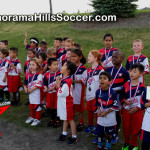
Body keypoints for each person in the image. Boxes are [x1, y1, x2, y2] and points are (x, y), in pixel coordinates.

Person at [106, 51, 130, 144]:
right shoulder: (108, 69)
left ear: (122, 59)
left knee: (116, 114)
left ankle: (115, 133)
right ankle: (108, 131)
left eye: (116, 57)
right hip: (107, 96)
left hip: (117, 97)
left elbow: (126, 87)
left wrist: (115, 91)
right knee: (108, 113)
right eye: (112, 57)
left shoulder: (124, 72)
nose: (113, 59)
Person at [121, 63, 146, 150]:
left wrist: (137, 108)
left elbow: (144, 101)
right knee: (126, 127)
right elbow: (121, 95)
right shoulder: (126, 85)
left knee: (135, 128)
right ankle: (127, 142)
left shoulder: (143, 87)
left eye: (134, 72)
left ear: (141, 74)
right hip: (126, 111)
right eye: (130, 71)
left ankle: (134, 144)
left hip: (137, 112)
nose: (131, 73)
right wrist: (124, 100)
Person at [96, 71, 119, 150]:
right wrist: (99, 110)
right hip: (101, 115)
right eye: (100, 78)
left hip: (110, 116)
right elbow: (97, 103)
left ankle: (108, 146)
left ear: (109, 81)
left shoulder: (112, 93)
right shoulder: (97, 91)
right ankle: (99, 145)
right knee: (100, 132)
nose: (101, 80)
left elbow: (115, 106)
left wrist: (105, 113)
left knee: (109, 133)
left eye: (104, 78)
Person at [56, 61, 78, 145]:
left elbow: (60, 93)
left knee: (70, 120)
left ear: (68, 70)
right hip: (63, 103)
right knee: (66, 119)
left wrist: (58, 84)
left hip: (67, 104)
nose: (61, 67)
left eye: (64, 66)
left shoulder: (66, 82)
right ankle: (64, 133)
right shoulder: (65, 80)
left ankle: (74, 136)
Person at [84, 50, 104, 134]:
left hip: (96, 96)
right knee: (89, 110)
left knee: (96, 112)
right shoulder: (88, 70)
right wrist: (85, 94)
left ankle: (98, 127)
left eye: (90, 56)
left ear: (95, 58)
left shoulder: (101, 70)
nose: (88, 57)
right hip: (89, 95)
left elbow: (102, 84)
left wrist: (100, 95)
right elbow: (87, 84)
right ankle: (90, 125)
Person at [71, 49, 87, 131]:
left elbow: (84, 80)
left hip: (79, 89)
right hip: (71, 89)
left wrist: (75, 81)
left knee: (80, 106)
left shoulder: (83, 68)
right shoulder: (70, 66)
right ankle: (72, 118)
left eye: (74, 56)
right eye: (71, 56)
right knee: (71, 103)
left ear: (80, 57)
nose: (72, 58)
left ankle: (81, 121)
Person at [43, 58, 61, 128]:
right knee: (50, 107)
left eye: (57, 64)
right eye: (54, 65)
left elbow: (60, 83)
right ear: (49, 66)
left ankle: (58, 120)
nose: (56, 66)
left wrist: (53, 88)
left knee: (57, 107)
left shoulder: (59, 74)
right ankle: (52, 119)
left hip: (56, 93)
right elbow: (44, 82)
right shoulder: (46, 74)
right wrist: (45, 87)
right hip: (49, 94)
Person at [24, 58, 43, 126]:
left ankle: (38, 119)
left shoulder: (39, 75)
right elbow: (25, 82)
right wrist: (25, 88)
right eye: (30, 64)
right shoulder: (28, 74)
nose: (31, 66)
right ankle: (32, 117)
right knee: (31, 105)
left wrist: (31, 90)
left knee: (37, 106)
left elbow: (38, 85)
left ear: (37, 66)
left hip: (36, 93)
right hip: (30, 93)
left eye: (33, 65)